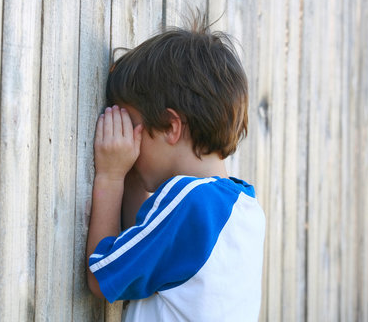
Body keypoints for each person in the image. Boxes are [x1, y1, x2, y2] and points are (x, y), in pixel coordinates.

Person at [85, 17, 266, 321]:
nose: (128, 139)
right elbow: (144, 248)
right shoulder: (242, 209)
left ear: (171, 126)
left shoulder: (191, 201)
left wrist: (111, 176)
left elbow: (104, 276)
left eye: (130, 125)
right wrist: (132, 175)